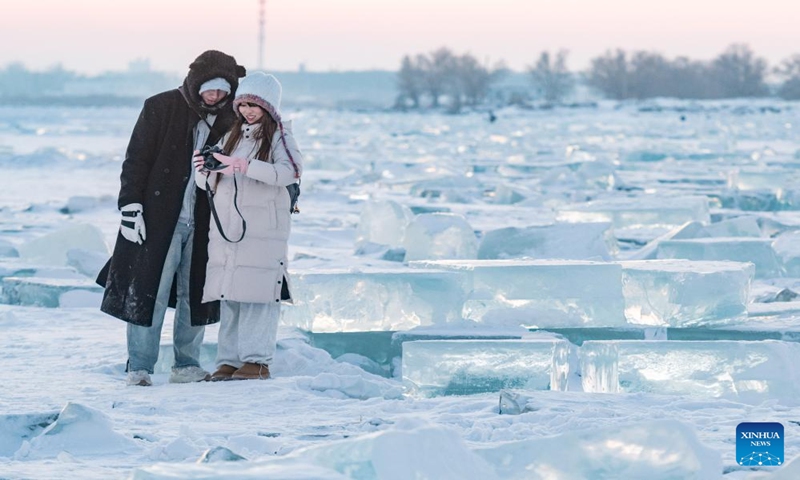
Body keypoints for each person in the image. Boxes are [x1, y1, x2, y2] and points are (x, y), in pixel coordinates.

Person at [97, 50, 246, 386]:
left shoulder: (232, 119)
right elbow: (136, 160)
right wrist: (131, 206)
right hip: (159, 218)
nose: (216, 96)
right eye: (211, 89)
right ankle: (140, 366)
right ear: (196, 84)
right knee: (148, 291)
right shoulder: (160, 107)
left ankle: (186, 364)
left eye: (224, 91)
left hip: (207, 222)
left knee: (197, 295)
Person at [192, 72, 303, 381]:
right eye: (243, 105)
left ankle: (257, 360)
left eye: (255, 105)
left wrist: (243, 165)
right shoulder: (233, 136)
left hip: (263, 230)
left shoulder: (280, 136)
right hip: (229, 231)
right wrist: (204, 169)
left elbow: (289, 173)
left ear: (269, 107)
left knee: (258, 297)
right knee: (231, 296)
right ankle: (228, 360)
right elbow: (208, 185)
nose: (248, 111)